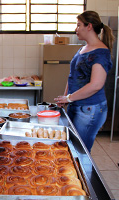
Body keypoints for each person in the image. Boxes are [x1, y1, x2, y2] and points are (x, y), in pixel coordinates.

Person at [54, 11, 114, 153]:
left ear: (89, 27)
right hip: (77, 104)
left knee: (80, 152)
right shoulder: (83, 49)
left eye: (79, 25)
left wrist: (69, 97)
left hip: (90, 109)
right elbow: (73, 76)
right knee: (72, 147)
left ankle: (81, 175)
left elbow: (96, 85)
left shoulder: (100, 53)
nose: (76, 29)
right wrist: (65, 97)